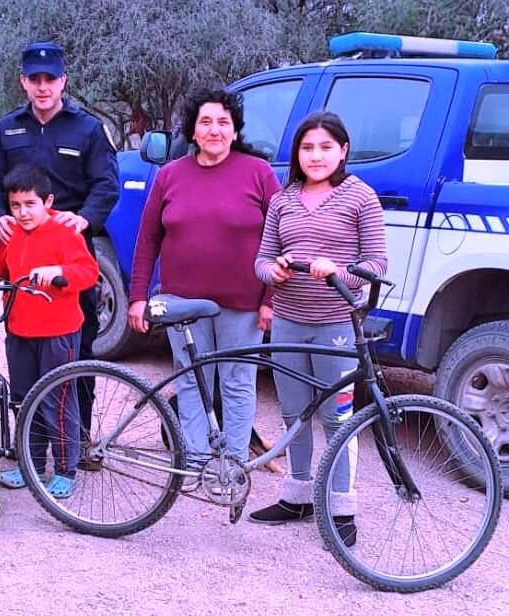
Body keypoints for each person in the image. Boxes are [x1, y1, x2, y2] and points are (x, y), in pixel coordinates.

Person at [128, 87, 281, 482]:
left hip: (243, 303)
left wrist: (270, 300)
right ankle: (194, 463)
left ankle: (232, 466)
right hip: (182, 304)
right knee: (191, 380)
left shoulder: (259, 173)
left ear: (235, 131)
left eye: (223, 123)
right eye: (206, 122)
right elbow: (147, 240)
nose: (214, 130)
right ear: (193, 131)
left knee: (237, 382)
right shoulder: (169, 176)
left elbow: (280, 239)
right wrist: (138, 297)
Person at [249, 111, 387, 546]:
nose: (316, 155)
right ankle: (297, 496)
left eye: (326, 147)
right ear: (297, 153)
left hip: (336, 326)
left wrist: (340, 271)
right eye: (307, 147)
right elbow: (262, 259)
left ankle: (341, 506)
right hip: (289, 321)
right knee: (293, 413)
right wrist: (276, 273)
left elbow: (377, 265)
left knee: (337, 416)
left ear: (343, 151)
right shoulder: (283, 199)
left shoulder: (360, 197)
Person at [0, 41, 118, 454]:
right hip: (20, 246)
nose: (42, 87)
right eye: (34, 79)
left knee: (79, 349)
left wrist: (86, 217)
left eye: (50, 79)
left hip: (69, 245)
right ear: (23, 81)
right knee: (27, 349)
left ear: (63, 81)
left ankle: (79, 442)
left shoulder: (87, 128)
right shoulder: (7, 129)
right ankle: (31, 448)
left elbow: (106, 185)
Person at [0, 166, 99, 497]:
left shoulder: (65, 231)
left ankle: (66, 468)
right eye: (15, 205)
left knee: (56, 400)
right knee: (23, 400)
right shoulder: (10, 234)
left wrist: (59, 271)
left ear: (48, 201)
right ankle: (31, 465)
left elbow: (88, 272)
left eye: (30, 204)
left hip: (59, 331)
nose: (23, 213)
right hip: (19, 329)